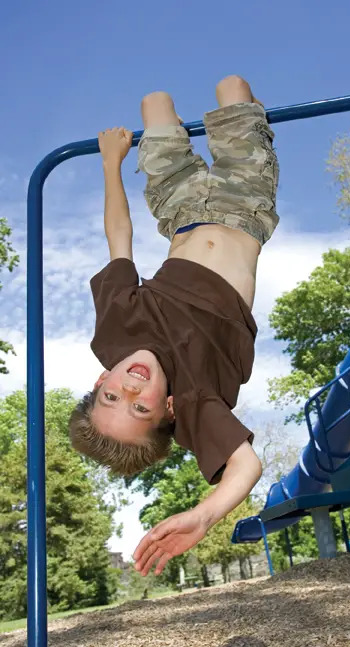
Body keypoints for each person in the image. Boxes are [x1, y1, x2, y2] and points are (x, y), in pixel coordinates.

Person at [69, 75, 279, 576]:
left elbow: (119, 238)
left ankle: (252, 117)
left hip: (179, 211)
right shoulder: (195, 399)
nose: (129, 386)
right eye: (139, 407)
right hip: (244, 203)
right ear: (166, 409)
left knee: (153, 104)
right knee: (233, 89)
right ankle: (253, 120)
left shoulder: (113, 332)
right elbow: (246, 464)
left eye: (111, 396)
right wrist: (205, 514)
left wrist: (111, 164)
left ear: (100, 381)